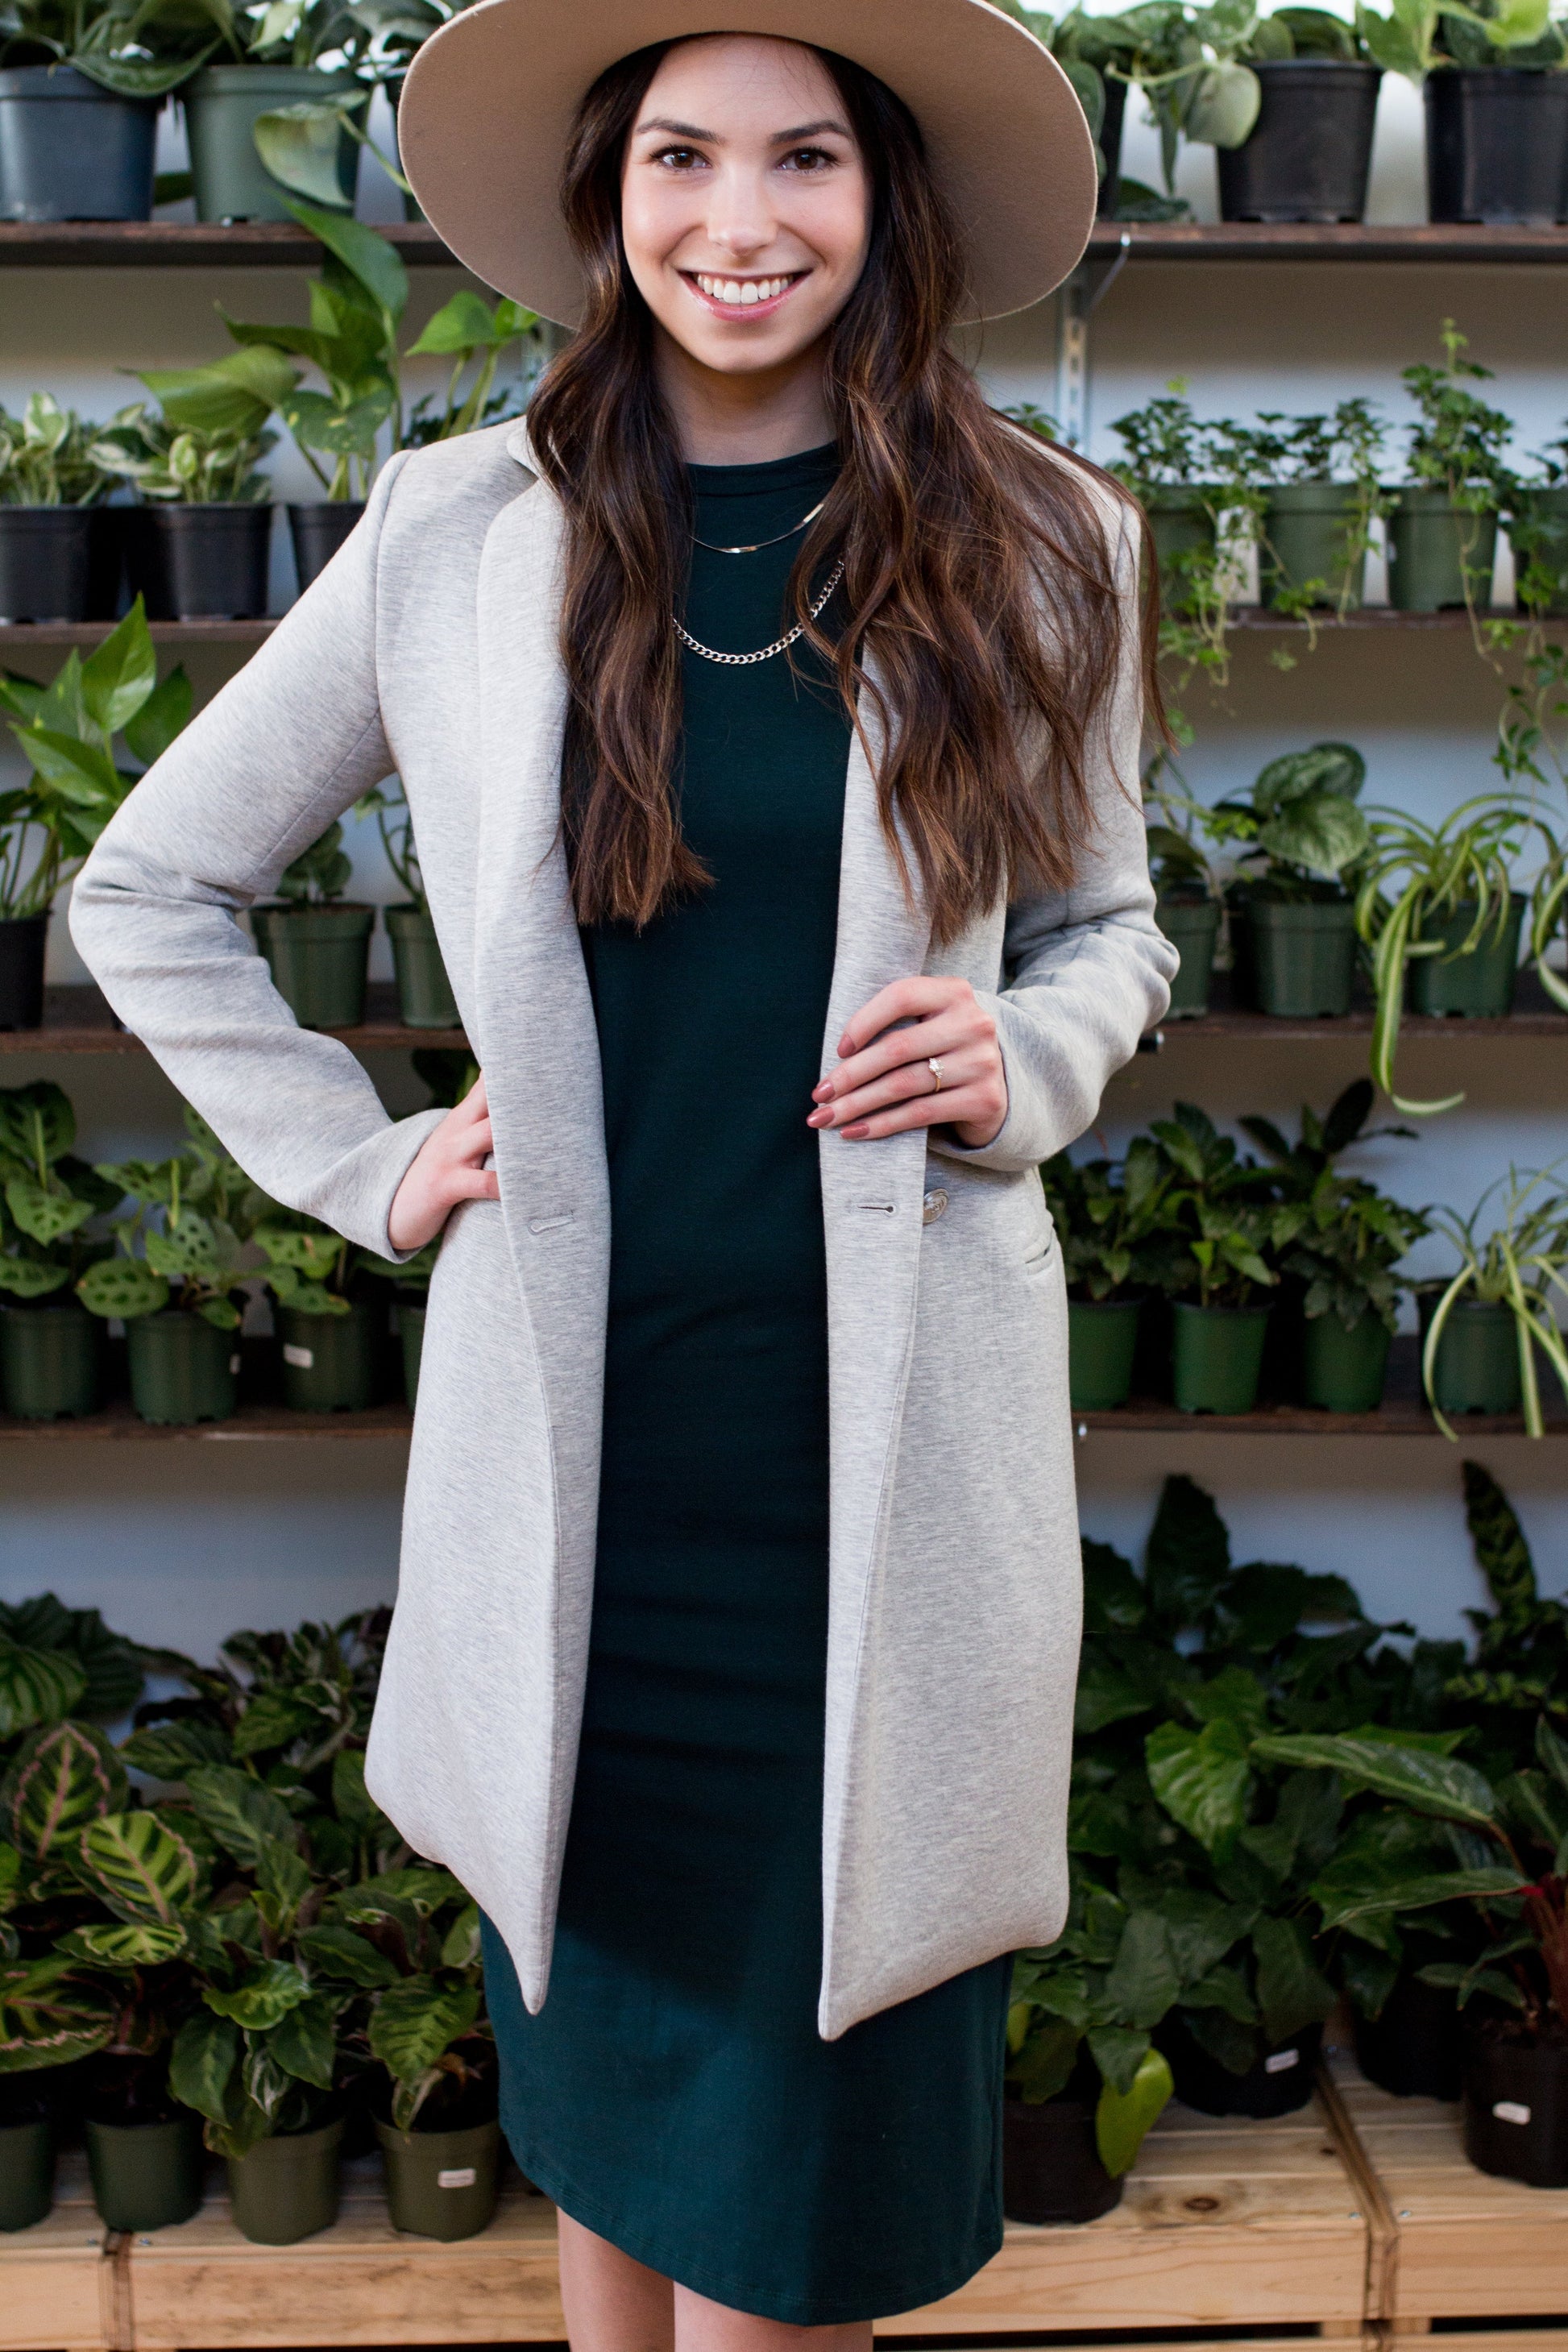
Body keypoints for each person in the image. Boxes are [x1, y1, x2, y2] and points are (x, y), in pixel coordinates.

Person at [70, 2, 1176, 2343]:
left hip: (874, 1484)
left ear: (887, 200)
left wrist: (1024, 1050)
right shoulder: (454, 536)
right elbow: (148, 886)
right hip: (576, 1482)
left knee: (804, 2194)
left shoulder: (1043, 539)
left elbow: (1110, 927)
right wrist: (366, 1165)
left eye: (803, 159)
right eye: (680, 157)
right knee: (608, 2087)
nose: (736, 220)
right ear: (607, 202)